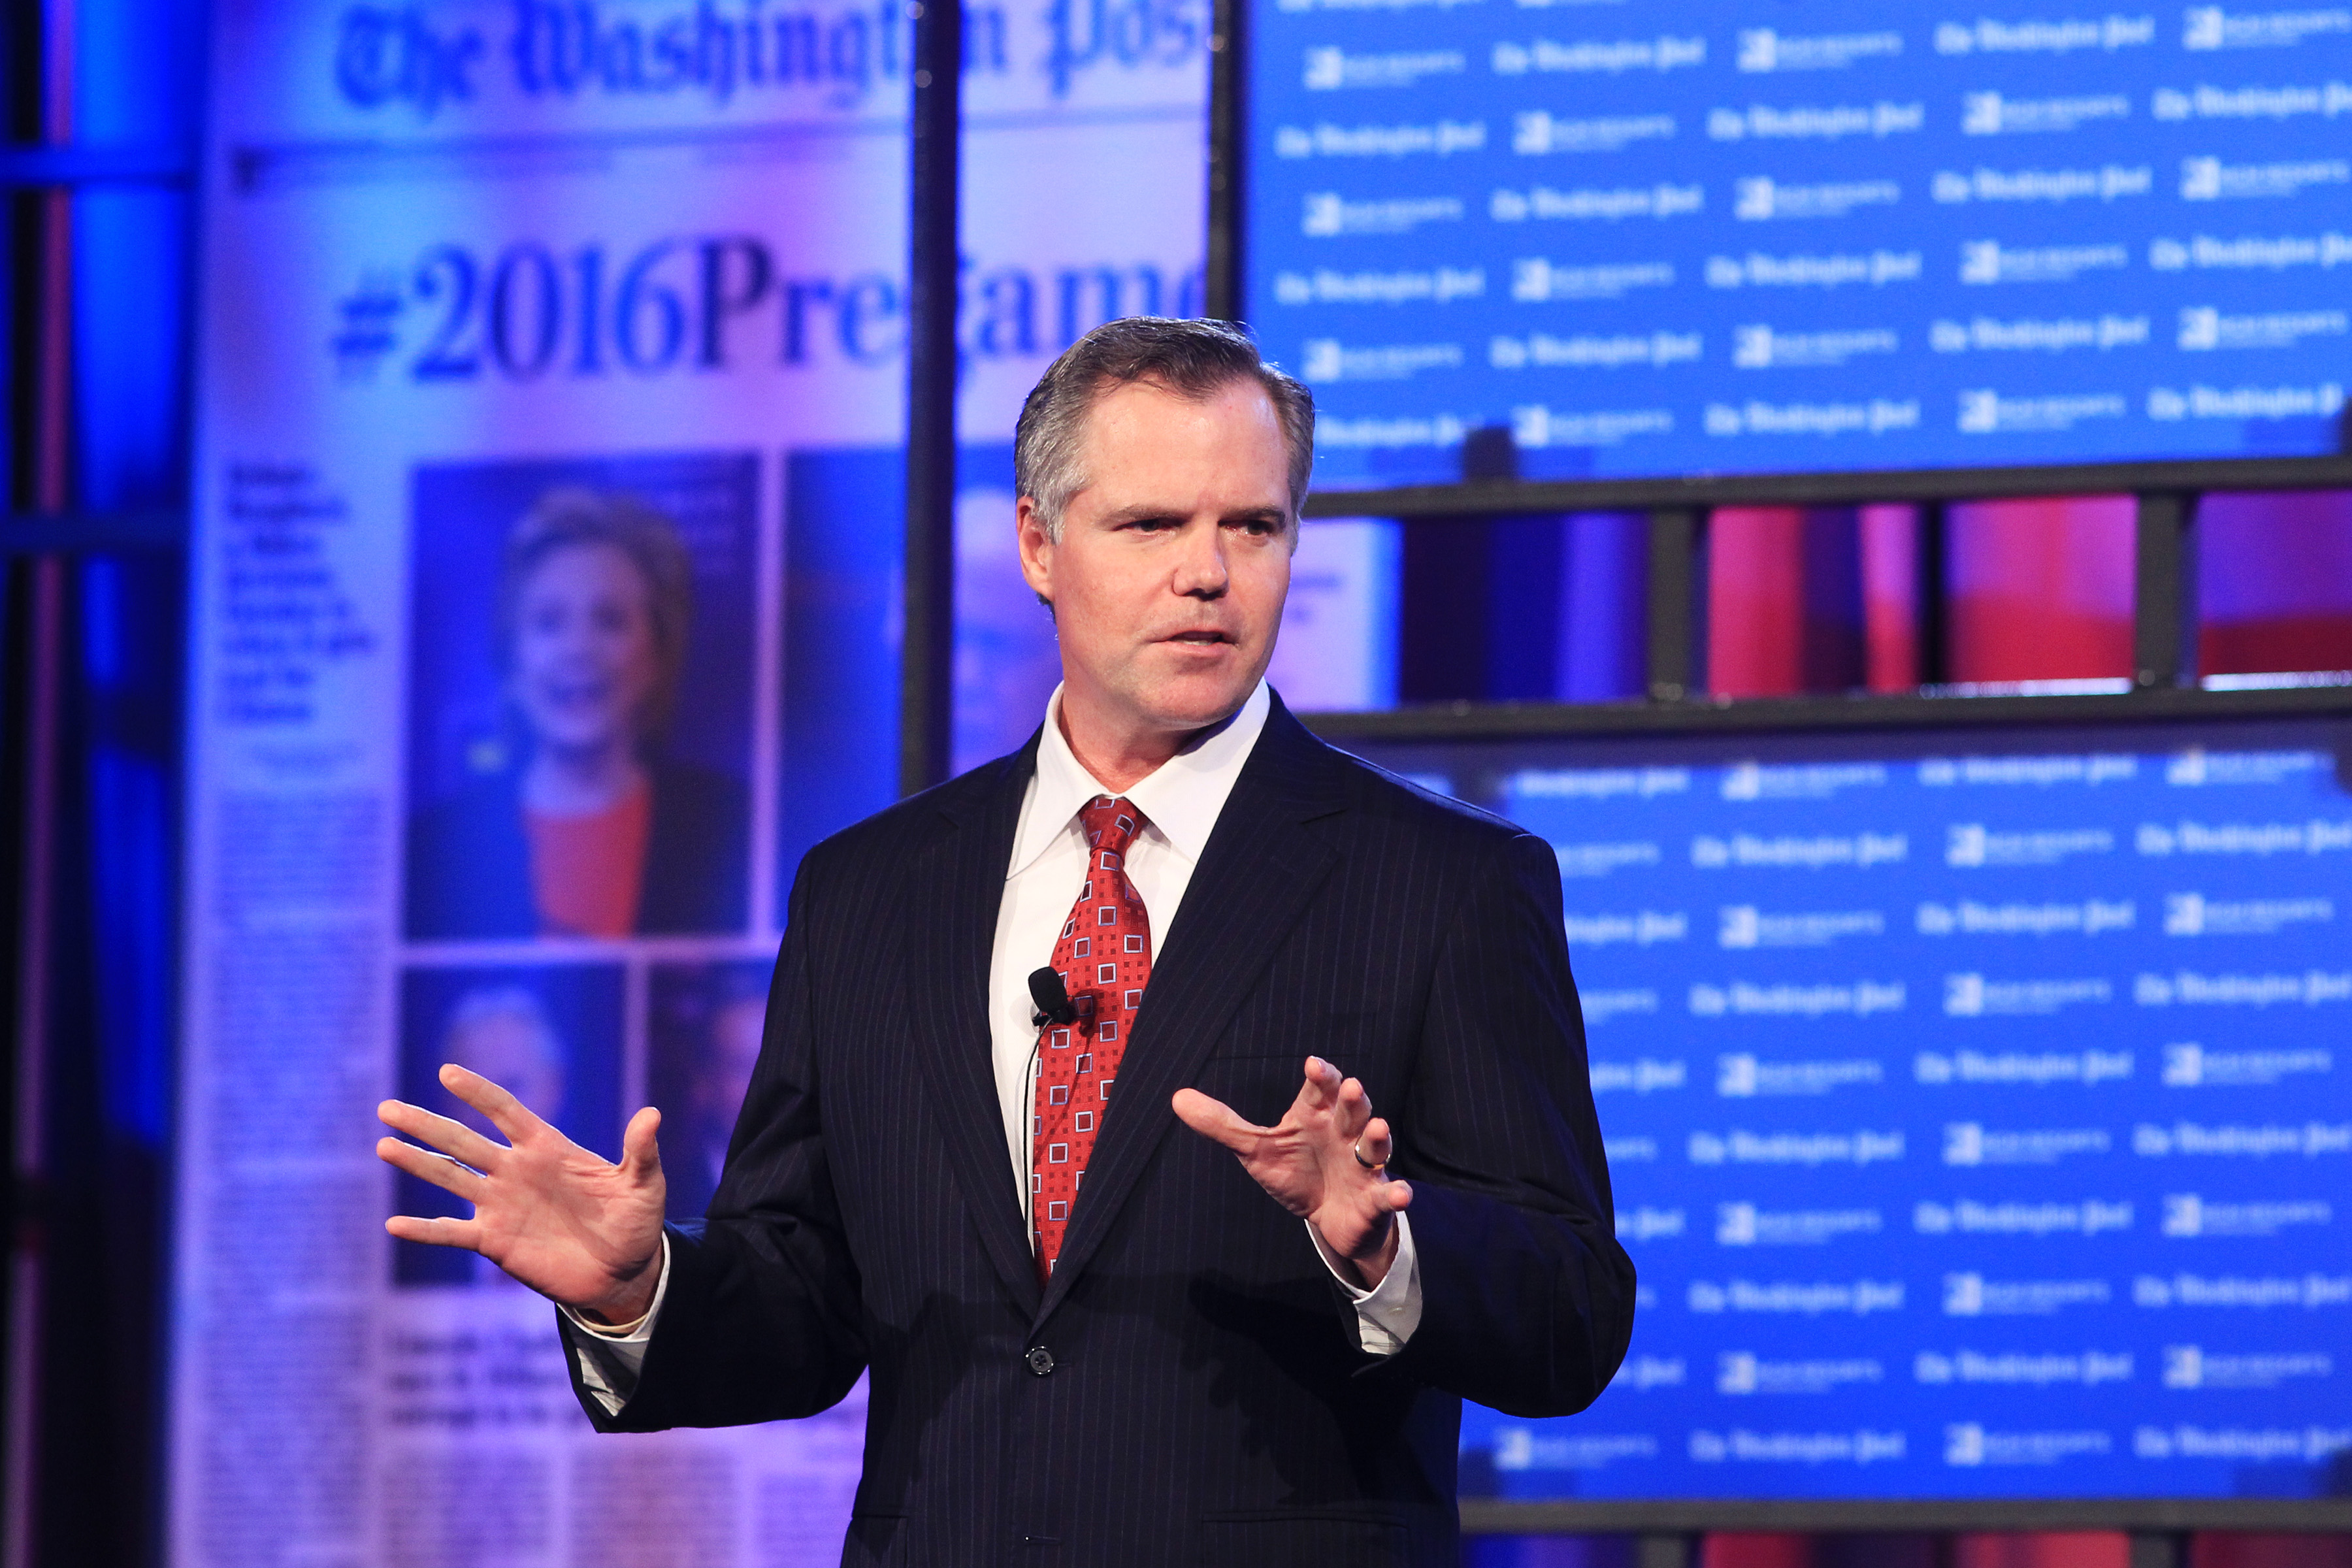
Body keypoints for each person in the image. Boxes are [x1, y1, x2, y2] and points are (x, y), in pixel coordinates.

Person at [378, 318, 1633, 1566]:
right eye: (1152, 526)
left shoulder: (1446, 883)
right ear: (1040, 544)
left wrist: (1386, 1248)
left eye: (1252, 526)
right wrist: (640, 1285)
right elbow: (806, 1296)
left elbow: (1573, 1312)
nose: (1209, 572)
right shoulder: (870, 894)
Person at [404, 486, 749, 939]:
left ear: (657, 654)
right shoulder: (432, 847)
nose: (578, 651)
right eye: (549, 623)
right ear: (512, 656)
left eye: (609, 621)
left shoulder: (729, 822)